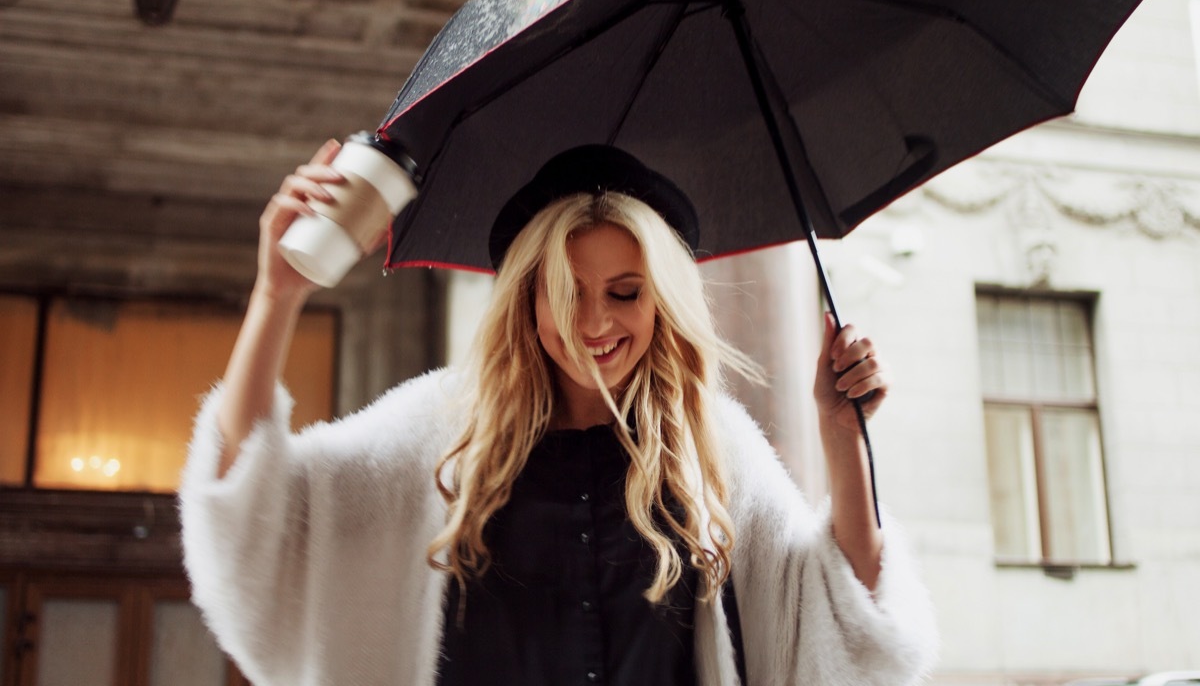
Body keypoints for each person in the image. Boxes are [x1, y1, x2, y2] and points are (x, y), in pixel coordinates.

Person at [179, 140, 938, 686]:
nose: (595, 323)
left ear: (662, 302)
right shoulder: (438, 433)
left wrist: (843, 438)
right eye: (568, 292)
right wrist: (276, 295)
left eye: (625, 292)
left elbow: (846, 634)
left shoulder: (712, 447)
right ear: (528, 298)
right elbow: (256, 517)